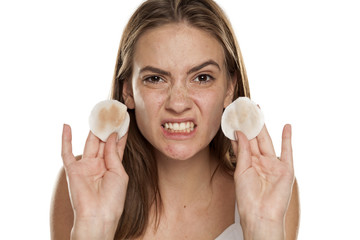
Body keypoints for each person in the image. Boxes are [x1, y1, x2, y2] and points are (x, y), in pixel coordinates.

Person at [51, 0, 300, 239]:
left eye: (202, 78)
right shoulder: (86, 181)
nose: (178, 103)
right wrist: (94, 227)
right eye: (155, 79)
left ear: (230, 88)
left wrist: (263, 229)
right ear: (127, 91)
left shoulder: (268, 184)